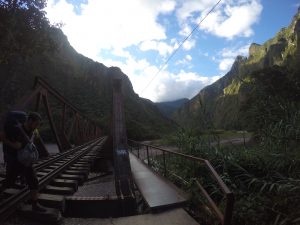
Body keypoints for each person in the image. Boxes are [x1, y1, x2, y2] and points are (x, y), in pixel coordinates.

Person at [1, 111, 46, 212]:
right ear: (30, 120)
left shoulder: (31, 130)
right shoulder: (18, 130)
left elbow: (25, 144)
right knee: (9, 181)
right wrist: (5, 140)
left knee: (33, 181)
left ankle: (35, 204)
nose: (37, 126)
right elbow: (17, 146)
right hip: (16, 160)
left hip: (25, 161)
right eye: (36, 124)